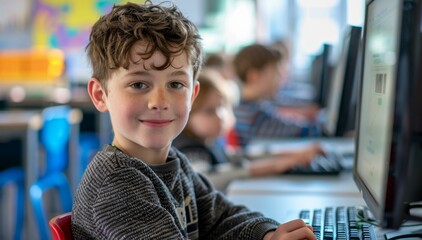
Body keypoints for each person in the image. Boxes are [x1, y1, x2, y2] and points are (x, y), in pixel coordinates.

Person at [72, 2, 316, 239]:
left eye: (175, 84)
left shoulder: (175, 164)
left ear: (192, 95)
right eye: (138, 84)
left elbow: (222, 218)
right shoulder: (117, 186)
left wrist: (269, 234)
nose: (160, 101)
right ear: (99, 95)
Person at [173, 69, 325, 191]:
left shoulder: (208, 143)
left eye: (222, 106)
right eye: (209, 111)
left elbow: (240, 157)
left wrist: (295, 155)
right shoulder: (191, 151)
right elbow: (207, 177)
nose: (220, 116)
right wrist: (276, 166)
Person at [232, 43, 321, 149]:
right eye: (275, 72)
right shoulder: (255, 116)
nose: (279, 78)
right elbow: (306, 131)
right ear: (254, 76)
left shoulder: (244, 106)